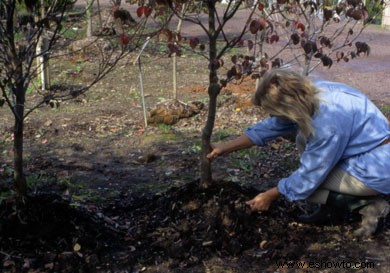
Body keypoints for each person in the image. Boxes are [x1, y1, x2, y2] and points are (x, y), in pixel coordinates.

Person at [207, 69, 390, 237]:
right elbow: (273, 126)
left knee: (305, 188)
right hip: (366, 150)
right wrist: (225, 148)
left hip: (377, 168)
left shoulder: (327, 125)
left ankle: (368, 206)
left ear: (288, 108)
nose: (273, 117)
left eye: (274, 113)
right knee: (302, 142)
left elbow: (308, 178)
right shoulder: (312, 92)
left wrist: (270, 195)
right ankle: (332, 207)